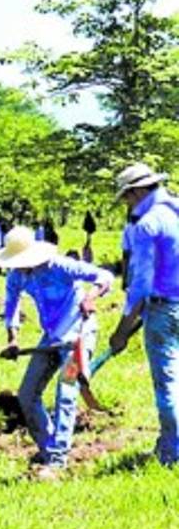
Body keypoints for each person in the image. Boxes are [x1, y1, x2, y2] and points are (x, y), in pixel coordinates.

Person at [0, 225, 113, 474]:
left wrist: (90, 297)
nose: (18, 266)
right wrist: (12, 339)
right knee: (26, 394)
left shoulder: (60, 266)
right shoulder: (16, 276)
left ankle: (58, 460)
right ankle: (49, 448)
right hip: (51, 338)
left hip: (79, 335)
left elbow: (104, 277)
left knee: (66, 391)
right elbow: (11, 307)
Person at [108, 162, 179, 464]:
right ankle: (167, 443)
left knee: (168, 384)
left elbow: (140, 284)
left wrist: (122, 329)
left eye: (126, 197)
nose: (126, 203)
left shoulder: (148, 224)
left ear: (136, 191)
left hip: (164, 309)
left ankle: (173, 454)